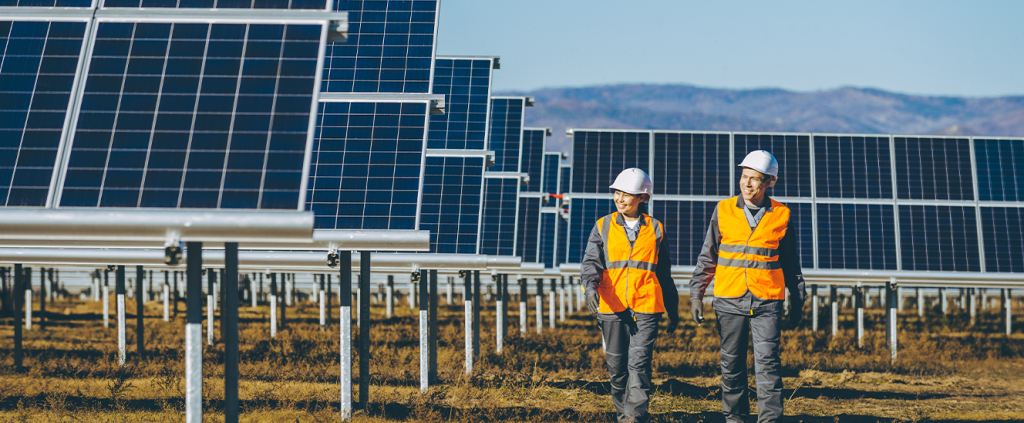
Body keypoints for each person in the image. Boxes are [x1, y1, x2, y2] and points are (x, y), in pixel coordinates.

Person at [689, 150, 806, 423]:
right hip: (729, 299)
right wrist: (697, 294)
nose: (747, 184)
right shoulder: (723, 209)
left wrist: (798, 300)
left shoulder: (782, 214)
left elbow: (791, 262)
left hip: (767, 300)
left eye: (755, 179)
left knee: (768, 364)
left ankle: (770, 420)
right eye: (744, 177)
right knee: (731, 365)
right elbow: (708, 255)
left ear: (769, 183)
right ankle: (735, 419)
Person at [581, 168, 679, 423]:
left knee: (639, 365)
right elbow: (591, 263)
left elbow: (664, 271)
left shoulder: (656, 228)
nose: (620, 198)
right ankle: (623, 414)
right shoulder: (603, 225)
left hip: (646, 307)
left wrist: (673, 307)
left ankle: (634, 417)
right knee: (617, 369)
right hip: (612, 307)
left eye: (626, 194)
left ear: (642, 198)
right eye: (617, 193)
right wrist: (590, 288)